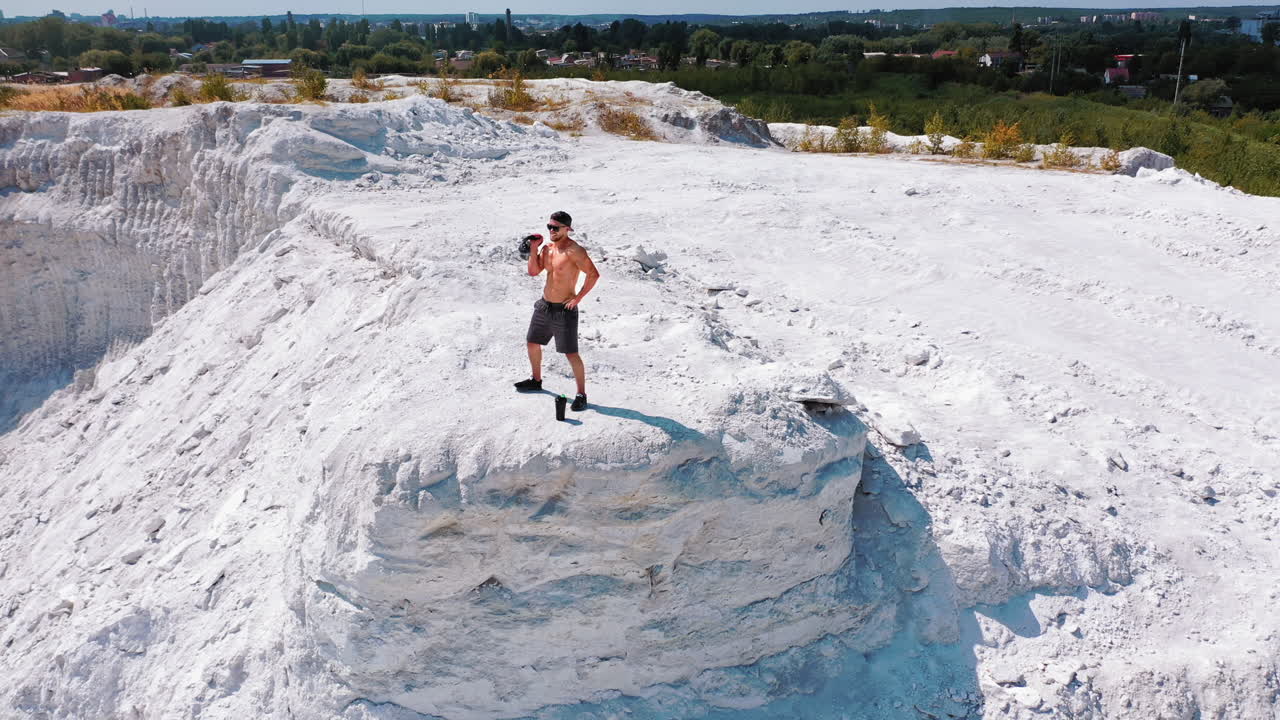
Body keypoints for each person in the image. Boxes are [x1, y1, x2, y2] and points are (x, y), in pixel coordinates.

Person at [514, 211, 600, 411]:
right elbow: (534, 272)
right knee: (532, 343)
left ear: (567, 229)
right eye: (549, 227)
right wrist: (534, 249)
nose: (551, 231)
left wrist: (577, 298)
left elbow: (593, 275)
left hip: (564, 309)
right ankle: (536, 380)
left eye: (556, 227)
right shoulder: (548, 249)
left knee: (571, 353)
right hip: (545, 305)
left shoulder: (575, 251)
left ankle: (581, 394)